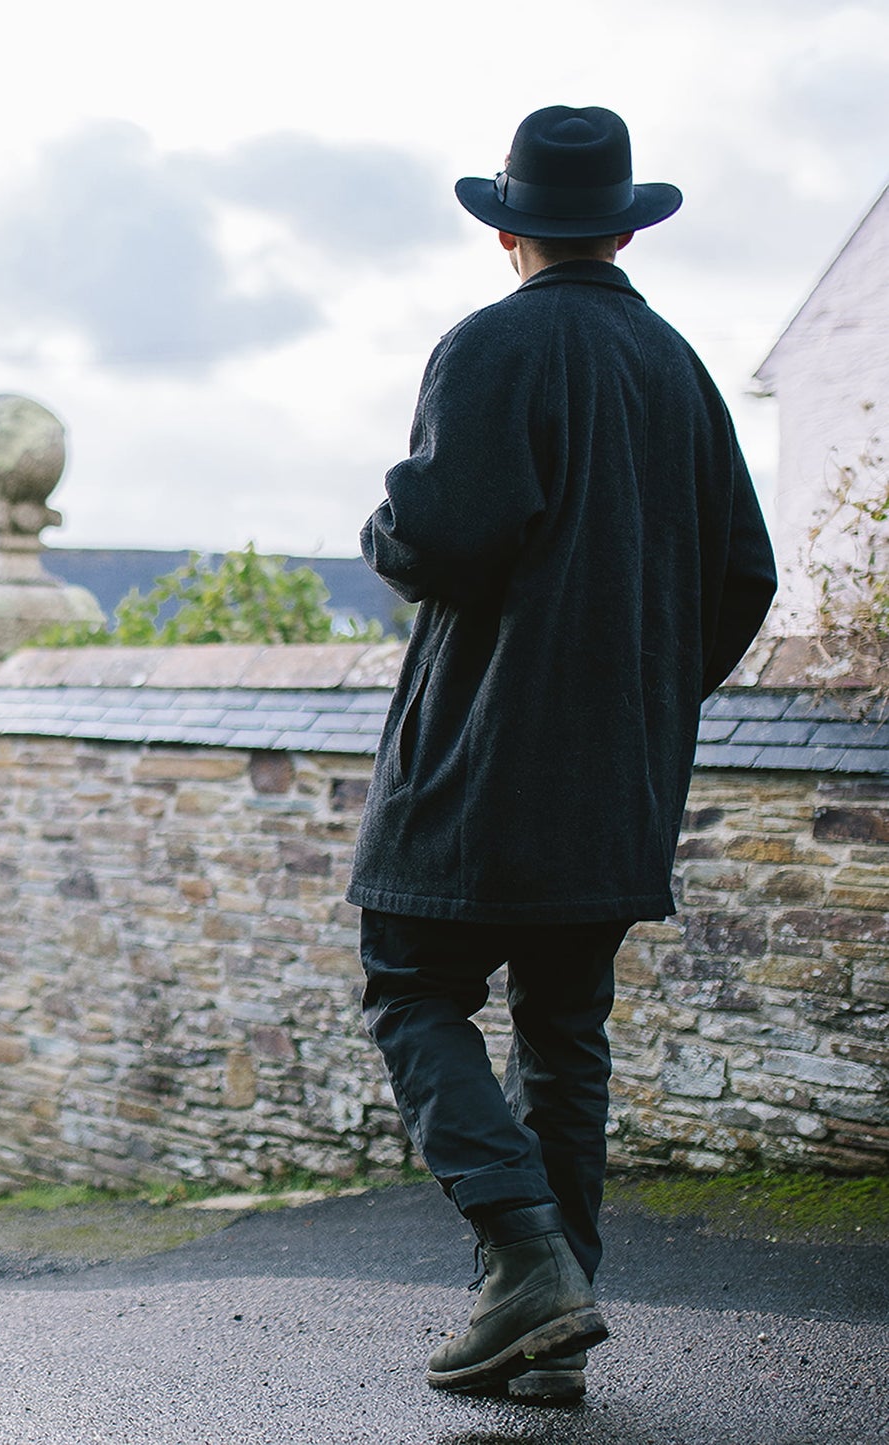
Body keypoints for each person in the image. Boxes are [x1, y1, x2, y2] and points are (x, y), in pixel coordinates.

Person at [347, 105, 777, 1402]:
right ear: (623, 223)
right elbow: (744, 574)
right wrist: (641, 696)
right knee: (562, 1033)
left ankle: (525, 1256)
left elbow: (443, 537)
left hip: (477, 763)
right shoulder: (675, 366)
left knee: (409, 985)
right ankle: (545, 1333)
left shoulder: (490, 344)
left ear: (505, 227)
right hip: (617, 780)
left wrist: (384, 521)